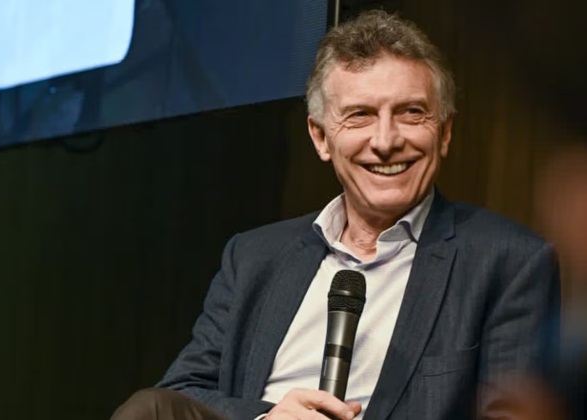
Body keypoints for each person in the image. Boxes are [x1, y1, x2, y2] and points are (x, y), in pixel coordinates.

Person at [113, 10, 559, 420]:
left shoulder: (508, 261)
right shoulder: (254, 256)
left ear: (444, 133)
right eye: (360, 116)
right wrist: (266, 418)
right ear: (321, 137)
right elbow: (184, 392)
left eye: (411, 113)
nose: (385, 141)